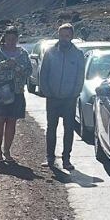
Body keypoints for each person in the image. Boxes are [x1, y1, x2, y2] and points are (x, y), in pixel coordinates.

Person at [38, 23, 86, 170]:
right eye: (62, 35)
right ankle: (50, 158)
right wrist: (46, 91)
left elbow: (80, 77)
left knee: (68, 128)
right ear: (58, 35)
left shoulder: (78, 54)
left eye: (67, 35)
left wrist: (74, 93)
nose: (64, 38)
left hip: (69, 99)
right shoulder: (50, 52)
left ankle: (66, 159)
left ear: (71, 36)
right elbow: (43, 74)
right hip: (52, 98)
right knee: (51, 128)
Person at [0, 27, 32, 165]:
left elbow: (29, 71)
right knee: (0, 120)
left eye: (14, 39)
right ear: (4, 38)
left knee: (12, 122)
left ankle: (7, 151)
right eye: (9, 39)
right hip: (0, 92)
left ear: (17, 39)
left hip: (17, 92)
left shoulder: (23, 53)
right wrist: (4, 64)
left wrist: (17, 66)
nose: (11, 41)